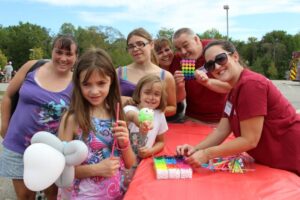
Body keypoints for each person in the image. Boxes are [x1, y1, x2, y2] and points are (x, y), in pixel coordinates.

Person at [176, 40, 300, 176]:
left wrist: (207, 154)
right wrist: (196, 149)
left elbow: (249, 140)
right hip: (279, 160)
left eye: (221, 59)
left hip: (293, 156)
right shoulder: (234, 89)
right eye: (210, 65)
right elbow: (221, 131)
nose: (217, 66)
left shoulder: (251, 84)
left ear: (235, 56)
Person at [0, 34, 78, 200]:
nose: (63, 58)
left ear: (76, 56)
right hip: (18, 146)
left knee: (52, 195)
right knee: (25, 196)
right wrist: (4, 126)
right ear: (52, 52)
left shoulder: (77, 83)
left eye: (69, 54)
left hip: (53, 151)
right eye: (59, 52)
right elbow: (7, 96)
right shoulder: (32, 67)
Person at [57, 48, 136, 199]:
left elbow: (129, 162)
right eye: (87, 84)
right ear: (78, 85)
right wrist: (96, 169)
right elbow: (60, 168)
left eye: (101, 83)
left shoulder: (117, 114)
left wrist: (125, 143)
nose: (94, 91)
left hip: (116, 194)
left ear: (111, 81)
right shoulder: (71, 118)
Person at [170, 28, 231, 123]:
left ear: (196, 39)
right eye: (178, 49)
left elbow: (230, 86)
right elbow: (178, 99)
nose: (183, 52)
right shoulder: (177, 59)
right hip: (192, 118)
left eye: (186, 46)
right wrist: (180, 86)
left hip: (224, 119)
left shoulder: (215, 50)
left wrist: (206, 82)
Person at [117, 28, 177, 118]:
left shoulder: (166, 76)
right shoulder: (118, 73)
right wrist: (119, 100)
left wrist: (150, 109)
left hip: (151, 129)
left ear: (151, 45)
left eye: (140, 44)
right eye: (131, 46)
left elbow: (172, 108)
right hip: (123, 129)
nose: (135, 49)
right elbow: (104, 103)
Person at [123, 74, 168, 188]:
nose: (152, 97)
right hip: (123, 161)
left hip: (143, 162)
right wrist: (140, 122)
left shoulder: (159, 115)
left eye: (157, 94)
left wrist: (150, 151)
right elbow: (131, 116)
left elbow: (161, 142)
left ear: (161, 97)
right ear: (139, 93)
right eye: (147, 92)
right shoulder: (129, 109)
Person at [154, 37, 186, 123]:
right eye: (160, 53)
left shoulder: (179, 60)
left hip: (178, 112)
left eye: (167, 50)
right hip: (156, 113)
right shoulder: (153, 71)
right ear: (153, 56)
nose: (165, 54)